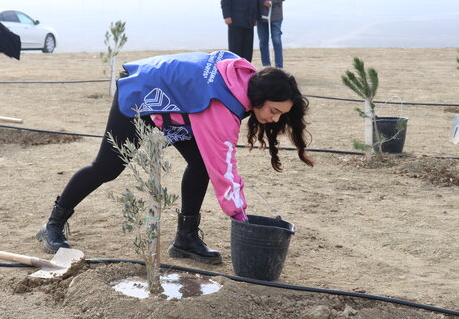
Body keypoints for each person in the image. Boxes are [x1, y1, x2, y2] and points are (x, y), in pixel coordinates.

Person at [36, 50, 313, 264]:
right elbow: (224, 170)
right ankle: (53, 224)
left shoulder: (243, 75)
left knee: (200, 163)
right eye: (274, 111)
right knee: (107, 168)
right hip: (140, 96)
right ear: (260, 96)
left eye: (280, 115)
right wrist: (243, 219)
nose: (274, 118)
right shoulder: (222, 108)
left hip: (176, 105)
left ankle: (186, 238)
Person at [256, 0, 289, 68]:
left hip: (275, 16)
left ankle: (279, 67)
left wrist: (271, 1)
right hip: (260, 16)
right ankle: (266, 67)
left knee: (276, 40)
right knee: (263, 42)